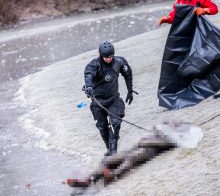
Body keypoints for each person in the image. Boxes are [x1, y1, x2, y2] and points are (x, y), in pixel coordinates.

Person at [66, 121, 203, 188]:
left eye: (176, 124)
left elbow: (164, 144)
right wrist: (162, 130)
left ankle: (114, 175)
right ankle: (89, 179)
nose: (174, 123)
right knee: (108, 160)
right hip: (134, 148)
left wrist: (163, 134)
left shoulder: (174, 138)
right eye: (174, 122)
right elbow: (157, 126)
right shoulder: (163, 129)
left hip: (147, 152)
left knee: (132, 157)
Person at [83, 41, 136, 156]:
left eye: (111, 56)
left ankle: (113, 153)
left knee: (116, 123)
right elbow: (88, 76)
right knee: (102, 127)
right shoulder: (94, 64)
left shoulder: (120, 62)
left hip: (113, 99)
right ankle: (109, 149)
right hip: (98, 101)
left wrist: (130, 91)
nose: (109, 59)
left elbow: (128, 74)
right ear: (101, 55)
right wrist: (89, 87)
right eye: (106, 57)